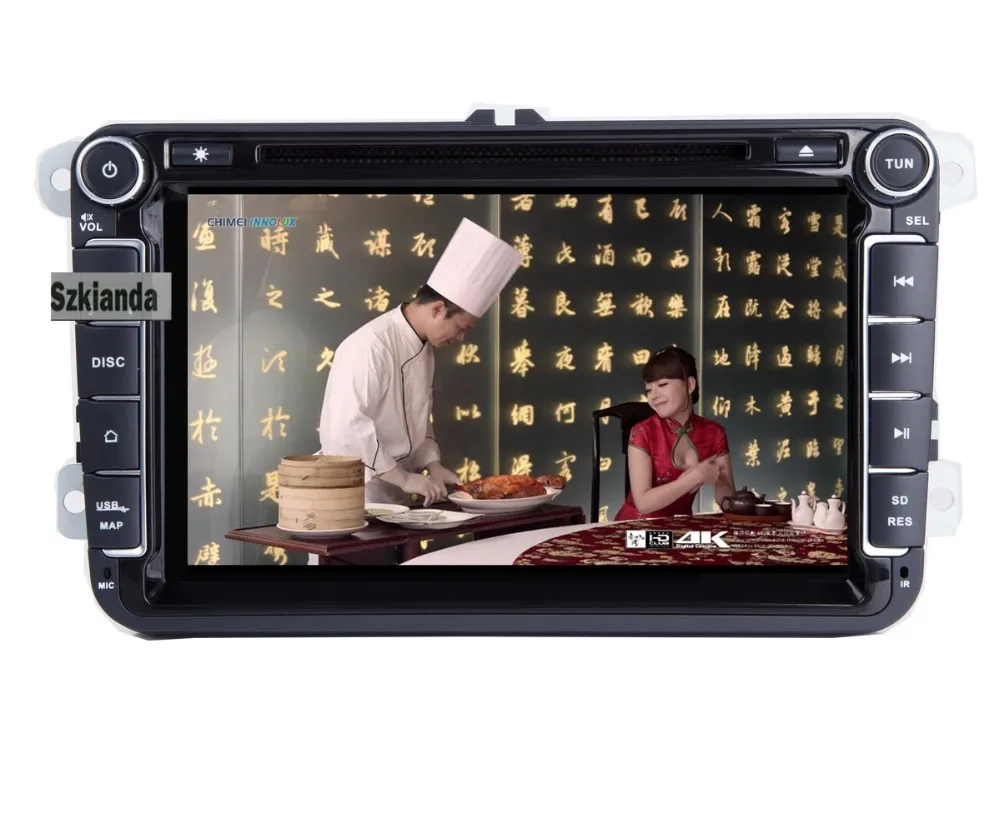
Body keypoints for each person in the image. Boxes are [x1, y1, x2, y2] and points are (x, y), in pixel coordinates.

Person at [319, 218, 523, 506]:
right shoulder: (371, 345)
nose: (461, 338)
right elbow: (346, 429)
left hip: (394, 494)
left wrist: (432, 464)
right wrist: (403, 479)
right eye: (461, 328)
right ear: (438, 309)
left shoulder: (422, 345)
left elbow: (416, 417)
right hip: (355, 492)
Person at [614, 346, 736, 520]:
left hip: (681, 526)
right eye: (648, 389)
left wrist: (719, 478)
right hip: (637, 527)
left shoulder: (715, 433)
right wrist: (695, 477)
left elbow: (727, 501)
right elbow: (643, 503)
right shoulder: (642, 432)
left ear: (690, 385)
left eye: (662, 385)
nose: (653, 396)